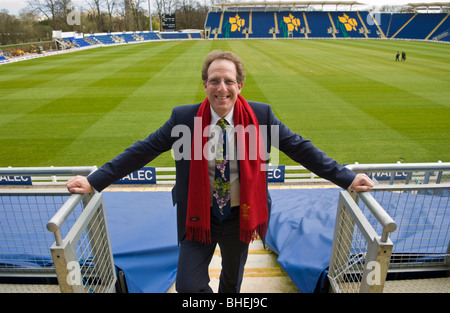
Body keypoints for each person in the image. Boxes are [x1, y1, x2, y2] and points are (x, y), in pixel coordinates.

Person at [66, 50, 374, 293]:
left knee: (231, 283)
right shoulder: (184, 118)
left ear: (240, 85)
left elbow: (299, 148)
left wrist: (346, 178)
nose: (221, 88)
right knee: (188, 286)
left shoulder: (261, 115)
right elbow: (142, 150)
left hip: (241, 216)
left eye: (228, 81)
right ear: (205, 85)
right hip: (197, 216)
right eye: (214, 80)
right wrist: (94, 181)